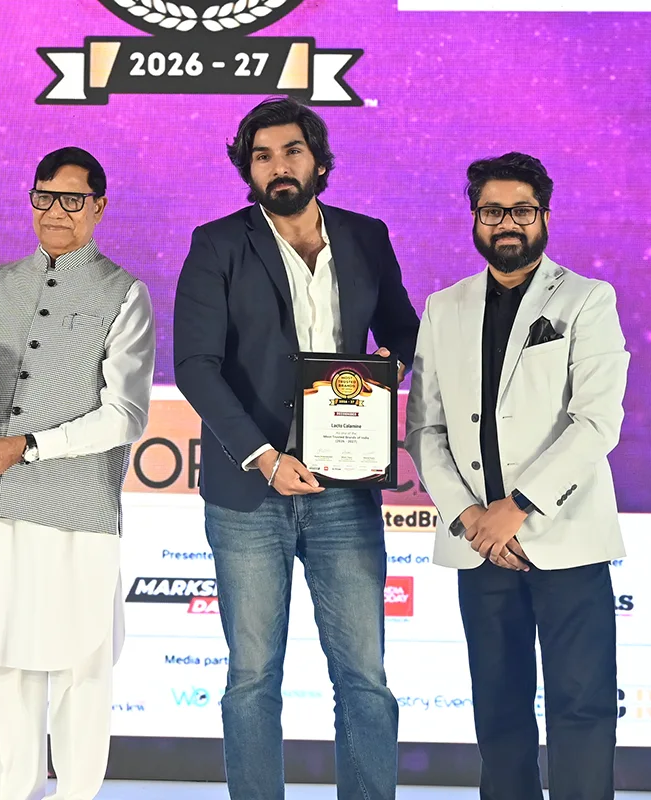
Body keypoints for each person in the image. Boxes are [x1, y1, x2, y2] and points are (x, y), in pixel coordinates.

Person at [173, 97, 419, 800]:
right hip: (250, 492)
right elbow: (195, 366)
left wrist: (396, 367)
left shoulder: (366, 236)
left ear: (318, 160)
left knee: (364, 678)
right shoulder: (217, 243)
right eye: (262, 156)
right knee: (252, 678)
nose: (278, 166)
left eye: (291, 151)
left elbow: (403, 331)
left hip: (346, 487)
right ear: (247, 169)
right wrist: (263, 456)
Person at [405, 152, 630, 800]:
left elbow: (596, 422)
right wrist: (471, 517)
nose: (507, 222)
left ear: (545, 217)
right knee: (499, 714)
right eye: (493, 211)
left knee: (582, 709)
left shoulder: (587, 299)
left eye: (522, 210)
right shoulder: (443, 307)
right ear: (474, 219)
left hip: (566, 540)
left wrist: (519, 506)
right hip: (480, 546)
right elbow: (425, 428)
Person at [0, 146, 155, 800]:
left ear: (99, 207)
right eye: (44, 196)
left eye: (72, 199)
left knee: (82, 666)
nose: (56, 211)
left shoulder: (124, 292)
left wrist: (28, 446)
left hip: (78, 508)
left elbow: (125, 414)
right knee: (0, 661)